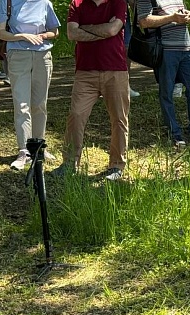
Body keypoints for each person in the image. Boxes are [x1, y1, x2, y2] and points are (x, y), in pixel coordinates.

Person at [55, 0, 129, 181]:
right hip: (85, 72)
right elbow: (72, 33)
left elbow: (113, 30)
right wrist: (103, 30)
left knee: (119, 119)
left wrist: (86, 29)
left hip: (115, 71)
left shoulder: (118, 2)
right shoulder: (77, 3)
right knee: (76, 115)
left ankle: (116, 166)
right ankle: (69, 163)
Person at [0, 0, 60, 170]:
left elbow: (55, 31)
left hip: (43, 56)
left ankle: (39, 147)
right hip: (17, 56)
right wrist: (22, 36)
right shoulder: (6, 2)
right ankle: (24, 151)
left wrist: (44, 36)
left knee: (40, 104)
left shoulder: (45, 3)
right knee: (22, 104)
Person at [136, 0, 190, 147]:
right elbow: (144, 21)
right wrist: (172, 18)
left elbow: (181, 13)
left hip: (186, 48)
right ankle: (174, 132)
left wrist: (189, 15)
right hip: (165, 49)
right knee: (167, 92)